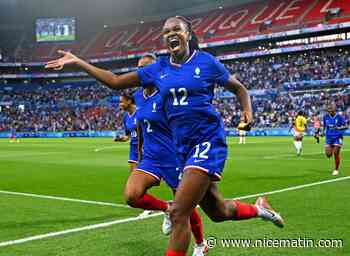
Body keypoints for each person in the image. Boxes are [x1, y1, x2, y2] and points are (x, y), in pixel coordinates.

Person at [45, 16, 284, 256]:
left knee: (179, 213)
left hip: (207, 142)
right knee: (218, 211)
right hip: (181, 149)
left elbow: (239, 88)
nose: (171, 34)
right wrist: (78, 62)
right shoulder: (158, 69)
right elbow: (116, 81)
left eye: (176, 29)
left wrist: (248, 112)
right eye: (166, 31)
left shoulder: (206, 62)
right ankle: (260, 209)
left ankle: (197, 241)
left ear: (188, 33)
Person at [126, 54, 208, 255]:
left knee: (186, 208)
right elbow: (140, 128)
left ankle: (201, 244)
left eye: (145, 68)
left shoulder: (167, 93)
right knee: (131, 195)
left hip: (174, 158)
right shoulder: (137, 97)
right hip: (151, 158)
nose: (141, 73)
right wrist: (138, 157)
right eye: (139, 68)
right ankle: (167, 208)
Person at [114, 93, 139, 172]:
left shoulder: (140, 112)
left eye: (121, 102)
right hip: (133, 148)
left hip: (144, 147)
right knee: (134, 175)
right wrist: (120, 139)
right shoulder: (126, 116)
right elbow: (127, 136)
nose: (120, 104)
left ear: (129, 101)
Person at [323, 103, 347, 176]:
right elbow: (324, 127)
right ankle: (332, 147)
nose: (329, 110)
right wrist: (321, 132)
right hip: (329, 137)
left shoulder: (339, 117)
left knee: (336, 153)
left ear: (334, 109)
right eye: (328, 109)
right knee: (328, 155)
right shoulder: (325, 117)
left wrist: (339, 128)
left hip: (337, 137)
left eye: (331, 108)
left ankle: (336, 169)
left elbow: (346, 126)